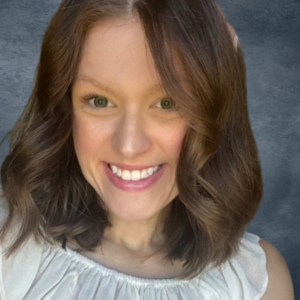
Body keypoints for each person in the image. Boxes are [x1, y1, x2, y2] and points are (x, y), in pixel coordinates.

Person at [0, 0, 294, 299]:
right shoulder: (7, 242)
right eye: (100, 101)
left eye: (168, 103)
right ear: (65, 111)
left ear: (214, 116)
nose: (128, 146)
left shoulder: (257, 282)